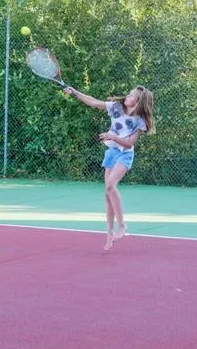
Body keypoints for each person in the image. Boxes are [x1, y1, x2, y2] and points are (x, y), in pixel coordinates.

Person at [64, 85, 155, 251]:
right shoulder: (116, 107)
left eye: (131, 95)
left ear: (138, 102)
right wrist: (75, 93)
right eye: (129, 93)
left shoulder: (139, 121)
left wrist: (112, 136)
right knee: (108, 194)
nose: (127, 96)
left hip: (125, 154)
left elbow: (129, 144)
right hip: (112, 152)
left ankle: (122, 224)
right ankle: (109, 234)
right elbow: (93, 102)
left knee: (110, 186)